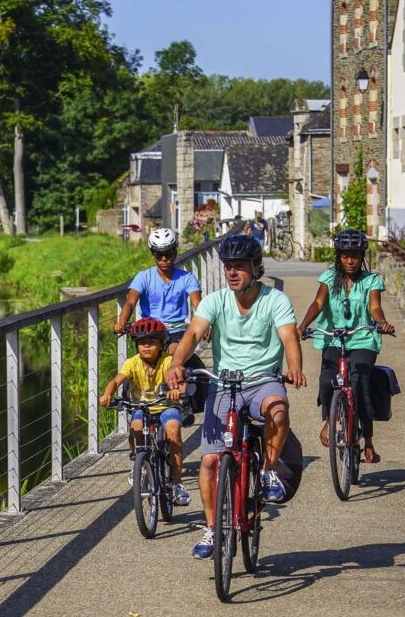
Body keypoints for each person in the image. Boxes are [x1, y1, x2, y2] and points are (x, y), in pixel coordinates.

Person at [166, 235, 307, 559]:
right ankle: (212, 529)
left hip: (263, 380)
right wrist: (176, 364)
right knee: (209, 460)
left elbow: (289, 337)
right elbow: (193, 333)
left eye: (239, 266)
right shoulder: (215, 301)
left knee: (278, 410)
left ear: (256, 268)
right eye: (228, 266)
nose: (232, 272)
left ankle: (268, 470)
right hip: (224, 384)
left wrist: (295, 368)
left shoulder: (275, 300)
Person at [296, 229, 394, 462]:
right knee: (326, 380)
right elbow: (318, 303)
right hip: (333, 337)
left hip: (362, 339)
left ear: (362, 257)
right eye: (345, 256)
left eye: (355, 256)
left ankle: (368, 441)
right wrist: (302, 326)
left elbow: (374, 307)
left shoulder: (371, 281)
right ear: (338, 257)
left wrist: (382, 322)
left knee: (359, 384)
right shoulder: (329, 278)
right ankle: (329, 421)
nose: (350, 261)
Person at [100, 317, 192, 506]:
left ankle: (177, 483)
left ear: (161, 344)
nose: (146, 346)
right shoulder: (132, 363)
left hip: (166, 406)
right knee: (135, 427)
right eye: (142, 343)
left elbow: (181, 381)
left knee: (173, 430)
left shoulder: (168, 361)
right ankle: (140, 463)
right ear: (136, 345)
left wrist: (178, 391)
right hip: (141, 407)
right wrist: (108, 393)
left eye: (151, 342)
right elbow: (116, 380)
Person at [115, 228, 203, 356]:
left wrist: (205, 324)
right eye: (159, 255)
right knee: (141, 360)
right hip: (149, 331)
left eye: (168, 254)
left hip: (176, 331)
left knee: (174, 352)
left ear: (175, 252)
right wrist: (122, 322)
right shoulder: (143, 277)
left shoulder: (187, 278)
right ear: (152, 255)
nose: (164, 258)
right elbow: (130, 302)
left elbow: (199, 306)